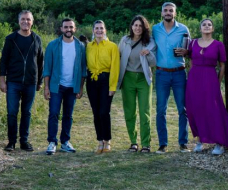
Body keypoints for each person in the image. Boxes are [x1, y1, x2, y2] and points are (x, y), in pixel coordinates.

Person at [185, 18, 228, 155]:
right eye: (204, 24)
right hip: (194, 79)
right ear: (200, 28)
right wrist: (191, 77)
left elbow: (222, 65)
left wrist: (218, 81)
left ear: (213, 29)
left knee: (213, 109)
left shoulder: (218, 45)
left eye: (209, 25)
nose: (207, 26)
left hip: (210, 78)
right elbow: (191, 61)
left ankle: (219, 143)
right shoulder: (193, 43)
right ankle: (199, 141)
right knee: (195, 108)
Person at [0, 10, 44, 152]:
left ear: (32, 21)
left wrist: (40, 81)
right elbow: (3, 61)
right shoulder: (11, 39)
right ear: (19, 21)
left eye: (28, 19)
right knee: (12, 112)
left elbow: (41, 62)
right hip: (13, 82)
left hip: (30, 83)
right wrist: (2, 80)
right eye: (23, 19)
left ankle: (24, 141)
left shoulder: (36, 39)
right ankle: (11, 142)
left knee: (27, 112)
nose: (26, 22)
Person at [42, 18, 87, 155]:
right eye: (66, 27)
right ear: (61, 29)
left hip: (72, 87)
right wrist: (46, 87)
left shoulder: (80, 46)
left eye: (71, 27)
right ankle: (52, 142)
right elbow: (47, 68)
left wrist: (80, 88)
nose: (68, 29)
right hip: (57, 86)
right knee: (54, 113)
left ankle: (65, 142)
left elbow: (83, 69)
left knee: (68, 115)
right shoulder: (53, 45)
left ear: (75, 29)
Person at [152, 2, 191, 153]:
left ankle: (183, 143)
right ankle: (163, 144)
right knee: (161, 109)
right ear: (162, 13)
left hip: (179, 73)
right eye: (165, 10)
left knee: (183, 109)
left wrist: (186, 52)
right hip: (161, 73)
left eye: (171, 10)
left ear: (175, 13)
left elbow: (190, 49)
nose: (168, 12)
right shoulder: (155, 29)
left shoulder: (183, 29)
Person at [118, 15, 156, 153]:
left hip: (143, 79)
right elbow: (119, 57)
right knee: (130, 112)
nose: (138, 28)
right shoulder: (125, 40)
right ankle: (133, 143)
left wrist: (148, 54)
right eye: (135, 25)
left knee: (145, 112)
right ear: (131, 26)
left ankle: (146, 144)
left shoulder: (150, 42)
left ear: (144, 27)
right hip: (127, 78)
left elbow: (154, 62)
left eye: (140, 25)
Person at [86, 20, 120, 153]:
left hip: (106, 80)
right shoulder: (89, 46)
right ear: (93, 30)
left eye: (101, 28)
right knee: (95, 112)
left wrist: (112, 87)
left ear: (105, 30)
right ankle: (100, 140)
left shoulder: (112, 46)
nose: (99, 30)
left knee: (104, 112)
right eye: (96, 28)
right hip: (92, 81)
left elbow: (115, 68)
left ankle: (107, 140)